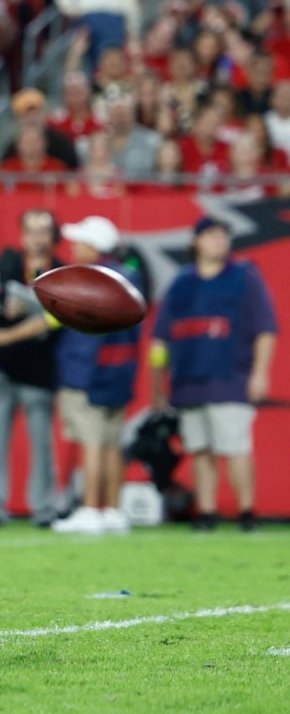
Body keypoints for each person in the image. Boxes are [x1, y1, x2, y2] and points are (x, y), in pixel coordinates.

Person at [150, 216, 277, 532]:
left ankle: (247, 512)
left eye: (224, 235)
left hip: (230, 377)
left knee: (235, 447)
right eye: (212, 235)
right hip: (188, 379)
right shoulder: (182, 282)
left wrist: (260, 373)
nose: (220, 241)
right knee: (199, 449)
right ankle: (207, 513)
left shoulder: (245, 277)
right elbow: (160, 338)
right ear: (196, 241)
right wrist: (158, 384)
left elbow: (265, 329)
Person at [41, 217, 142, 535]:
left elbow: (87, 339)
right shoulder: (129, 276)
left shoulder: (91, 282)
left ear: (95, 247)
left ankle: (88, 510)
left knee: (92, 444)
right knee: (111, 444)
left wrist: (75, 376)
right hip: (119, 373)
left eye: (82, 242)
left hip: (89, 375)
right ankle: (112, 511)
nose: (74, 246)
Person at [0, 209, 62, 527]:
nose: (38, 237)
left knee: (41, 445)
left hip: (38, 370)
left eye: (44, 230)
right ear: (23, 235)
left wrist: (5, 334)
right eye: (32, 230)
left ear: (53, 236)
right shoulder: (8, 264)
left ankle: (44, 508)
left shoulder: (60, 270)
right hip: (4, 368)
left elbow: (54, 319)